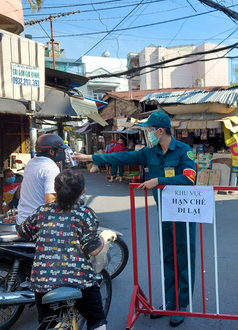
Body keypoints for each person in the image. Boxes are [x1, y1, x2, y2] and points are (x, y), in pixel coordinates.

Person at [72, 112, 196, 327]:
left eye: (149, 130)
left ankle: (181, 306)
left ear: (159, 130)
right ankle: (169, 303)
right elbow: (121, 157)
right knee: (168, 257)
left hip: (184, 212)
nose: (148, 133)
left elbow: (189, 177)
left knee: (183, 259)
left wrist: (158, 180)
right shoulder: (150, 152)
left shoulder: (184, 150)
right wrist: (91, 158)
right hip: (165, 212)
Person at [18, 170, 108, 330]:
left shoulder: (42, 211)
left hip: (43, 283)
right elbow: (93, 250)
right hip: (79, 281)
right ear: (83, 191)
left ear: (55, 189)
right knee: (97, 321)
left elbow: (22, 232)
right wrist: (104, 237)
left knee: (48, 324)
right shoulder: (84, 214)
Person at [17, 134, 67, 225]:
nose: (62, 153)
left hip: (22, 221)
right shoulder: (50, 167)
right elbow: (50, 201)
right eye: (60, 150)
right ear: (51, 151)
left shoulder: (31, 163)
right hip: (37, 224)